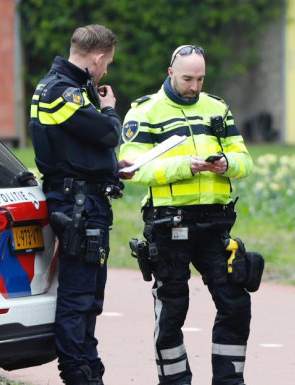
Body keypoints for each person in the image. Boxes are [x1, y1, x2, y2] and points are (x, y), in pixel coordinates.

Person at [119, 44, 257, 385]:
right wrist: (185, 166)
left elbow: (245, 159)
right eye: (187, 79)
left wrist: (228, 164)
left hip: (214, 225)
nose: (194, 86)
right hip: (169, 225)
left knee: (235, 302)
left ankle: (229, 381)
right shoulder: (145, 112)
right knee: (172, 310)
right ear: (170, 73)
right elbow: (132, 169)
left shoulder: (217, 108)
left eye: (200, 79)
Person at [29, 24, 123, 385]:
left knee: (90, 292)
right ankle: (78, 373)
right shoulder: (62, 92)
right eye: (107, 63)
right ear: (97, 57)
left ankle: (87, 365)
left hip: (79, 198)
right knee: (79, 294)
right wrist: (109, 109)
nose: (105, 71)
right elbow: (108, 134)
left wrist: (111, 168)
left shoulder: (58, 86)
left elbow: (74, 147)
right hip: (79, 205)